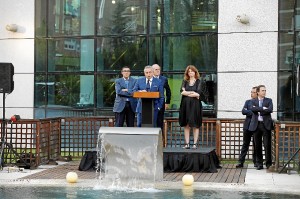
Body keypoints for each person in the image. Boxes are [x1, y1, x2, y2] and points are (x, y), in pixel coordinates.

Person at [179, 65, 207, 149]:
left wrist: (187, 92)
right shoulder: (185, 81)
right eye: (189, 71)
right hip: (185, 105)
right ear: (187, 73)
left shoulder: (199, 81)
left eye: (192, 71)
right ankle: (187, 144)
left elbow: (198, 94)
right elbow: (181, 92)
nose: (190, 72)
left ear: (195, 72)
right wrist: (192, 92)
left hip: (195, 106)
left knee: (195, 124)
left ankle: (194, 144)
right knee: (186, 124)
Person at [248, 85, 273, 170]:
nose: (264, 92)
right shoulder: (253, 101)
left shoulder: (269, 100)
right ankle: (259, 164)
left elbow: (270, 110)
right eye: (263, 90)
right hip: (256, 125)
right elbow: (252, 109)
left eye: (265, 90)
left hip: (266, 125)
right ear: (258, 92)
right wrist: (263, 108)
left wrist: (258, 109)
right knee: (257, 146)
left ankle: (268, 163)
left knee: (267, 145)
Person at [236, 87, 257, 168]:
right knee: (245, 144)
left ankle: (256, 162)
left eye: (253, 92)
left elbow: (259, 111)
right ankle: (241, 162)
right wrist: (253, 111)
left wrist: (251, 111)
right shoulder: (247, 102)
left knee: (256, 145)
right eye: (251, 92)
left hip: (255, 126)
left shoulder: (259, 102)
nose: (251, 93)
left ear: (257, 93)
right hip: (247, 126)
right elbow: (243, 111)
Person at [152, 64, 172, 131]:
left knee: (160, 121)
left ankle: (161, 138)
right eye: (156, 69)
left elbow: (168, 91)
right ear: (152, 70)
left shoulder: (164, 79)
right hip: (150, 102)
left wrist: (167, 102)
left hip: (160, 102)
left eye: (159, 69)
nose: (158, 71)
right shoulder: (149, 78)